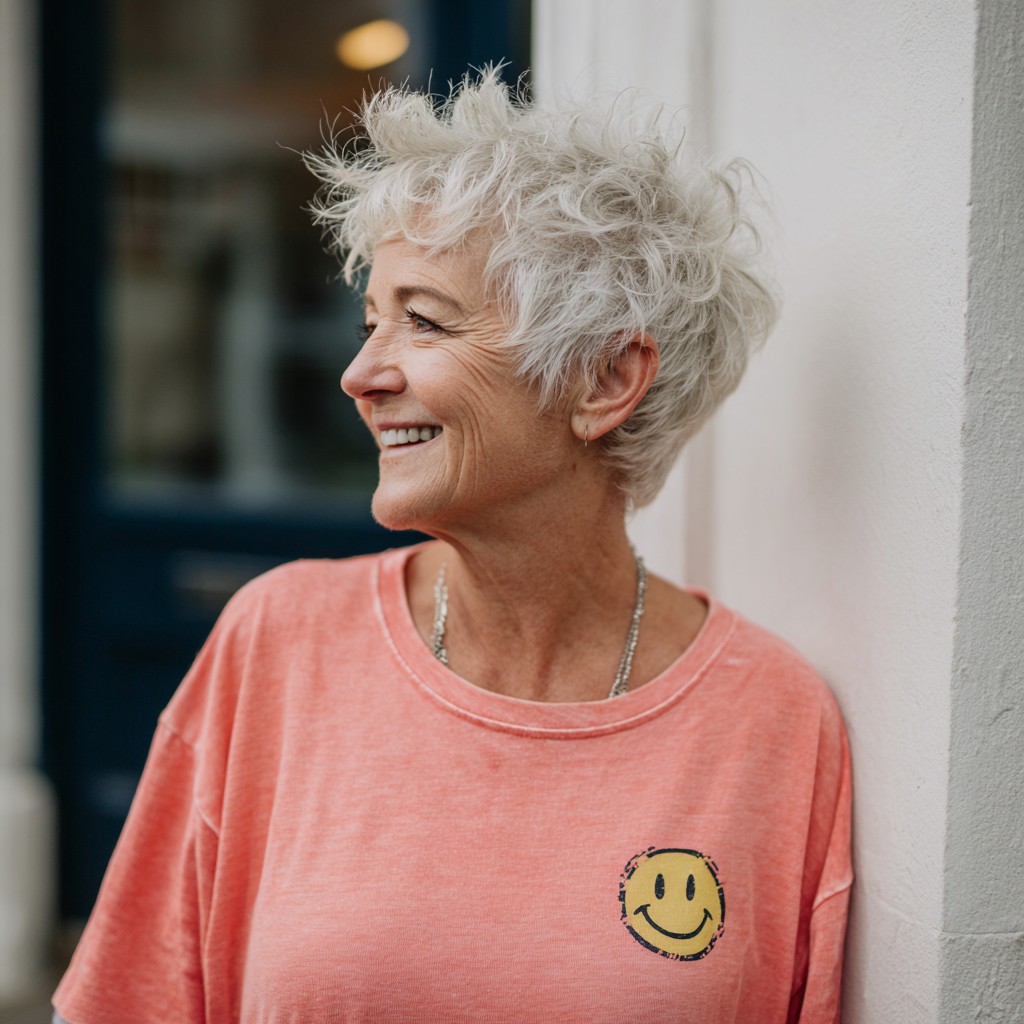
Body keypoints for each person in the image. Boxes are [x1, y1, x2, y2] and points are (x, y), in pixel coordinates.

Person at [53, 70, 851, 1023]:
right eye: (368, 322)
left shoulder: (775, 722)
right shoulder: (280, 642)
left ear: (604, 379)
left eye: (423, 321)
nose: (359, 374)